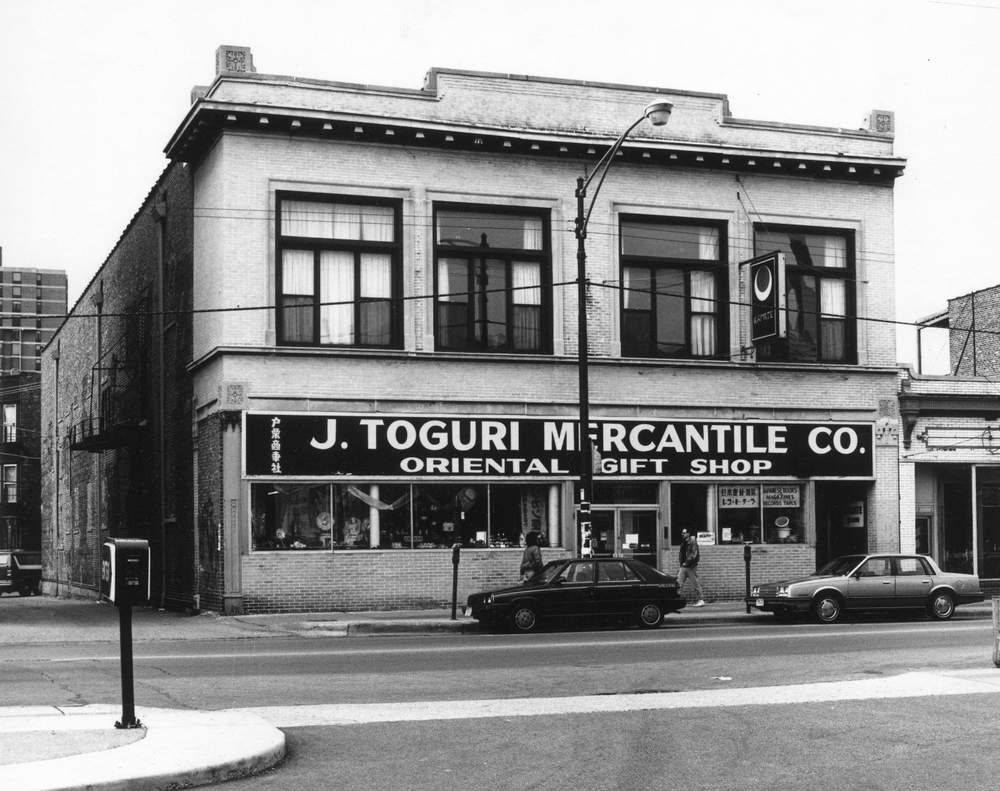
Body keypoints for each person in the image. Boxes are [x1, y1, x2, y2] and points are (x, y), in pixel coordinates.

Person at [678, 528, 706, 606]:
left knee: (695, 583)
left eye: (684, 533)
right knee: (679, 583)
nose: (682, 534)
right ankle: (677, 599)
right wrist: (682, 563)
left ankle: (701, 600)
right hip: (683, 566)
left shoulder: (693, 542)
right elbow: (682, 553)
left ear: (688, 534)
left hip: (691, 566)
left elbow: (694, 554)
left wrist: (686, 563)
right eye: (682, 533)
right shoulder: (684, 542)